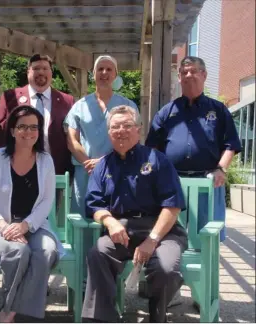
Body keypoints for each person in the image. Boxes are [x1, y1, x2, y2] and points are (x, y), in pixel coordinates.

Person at [82, 105, 188, 323]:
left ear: (138, 129)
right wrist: (109, 221)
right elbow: (93, 203)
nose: (121, 130)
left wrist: (152, 239)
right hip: (122, 231)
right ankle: (103, 319)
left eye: (127, 125)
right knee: (98, 252)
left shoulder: (157, 159)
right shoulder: (103, 166)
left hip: (162, 232)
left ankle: (157, 316)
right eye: (115, 127)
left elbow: (173, 206)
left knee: (165, 268)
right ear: (109, 133)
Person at [0, 105, 65, 322]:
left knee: (45, 251)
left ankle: (11, 311)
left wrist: (25, 226)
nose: (29, 132)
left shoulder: (45, 161)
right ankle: (23, 313)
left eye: (34, 127)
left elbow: (47, 201)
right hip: (4, 228)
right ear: (12, 130)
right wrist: (3, 226)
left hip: (35, 227)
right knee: (19, 252)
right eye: (22, 127)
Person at [145, 56, 242, 242]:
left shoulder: (219, 110)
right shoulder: (166, 112)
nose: (188, 75)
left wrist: (221, 169)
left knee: (206, 237)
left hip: (208, 181)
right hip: (173, 182)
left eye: (193, 71)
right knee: (171, 236)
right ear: (179, 78)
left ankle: (206, 269)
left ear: (203, 75)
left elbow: (231, 144)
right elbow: (152, 147)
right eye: (184, 72)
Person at [64, 55, 138, 219]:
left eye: (109, 69)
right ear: (93, 74)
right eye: (100, 69)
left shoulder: (127, 106)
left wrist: (104, 162)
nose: (104, 72)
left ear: (115, 75)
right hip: (86, 172)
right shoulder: (80, 106)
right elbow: (71, 140)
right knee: (83, 221)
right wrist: (88, 163)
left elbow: (132, 140)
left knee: (116, 217)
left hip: (117, 169)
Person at [0, 54, 74, 176]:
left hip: (55, 172)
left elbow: (72, 136)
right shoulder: (10, 98)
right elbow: (0, 135)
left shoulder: (67, 101)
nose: (41, 72)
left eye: (45, 68)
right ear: (28, 72)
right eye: (36, 68)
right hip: (17, 170)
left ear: (51, 72)